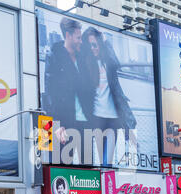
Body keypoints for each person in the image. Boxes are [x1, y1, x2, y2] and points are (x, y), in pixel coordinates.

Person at [80, 27, 137, 166]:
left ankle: (106, 184)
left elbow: (116, 63)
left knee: (107, 162)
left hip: (113, 119)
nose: (94, 48)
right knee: (100, 160)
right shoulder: (86, 64)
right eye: (90, 45)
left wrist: (106, 42)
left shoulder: (108, 62)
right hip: (97, 119)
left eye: (96, 44)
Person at [43, 17, 94, 164]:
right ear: (68, 36)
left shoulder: (83, 58)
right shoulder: (54, 56)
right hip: (65, 123)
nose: (80, 41)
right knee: (62, 168)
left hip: (85, 123)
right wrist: (57, 124)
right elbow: (50, 93)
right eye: (78, 37)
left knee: (88, 169)